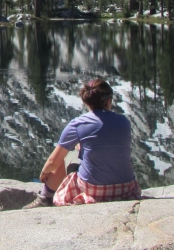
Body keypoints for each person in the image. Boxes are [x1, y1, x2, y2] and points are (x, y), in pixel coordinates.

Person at [24, 78, 141, 208]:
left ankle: (45, 198)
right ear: (108, 101)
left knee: (67, 155)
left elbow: (53, 161)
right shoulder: (123, 121)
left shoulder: (79, 124)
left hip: (95, 190)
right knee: (81, 150)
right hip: (126, 189)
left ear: (87, 102)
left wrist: (44, 172)